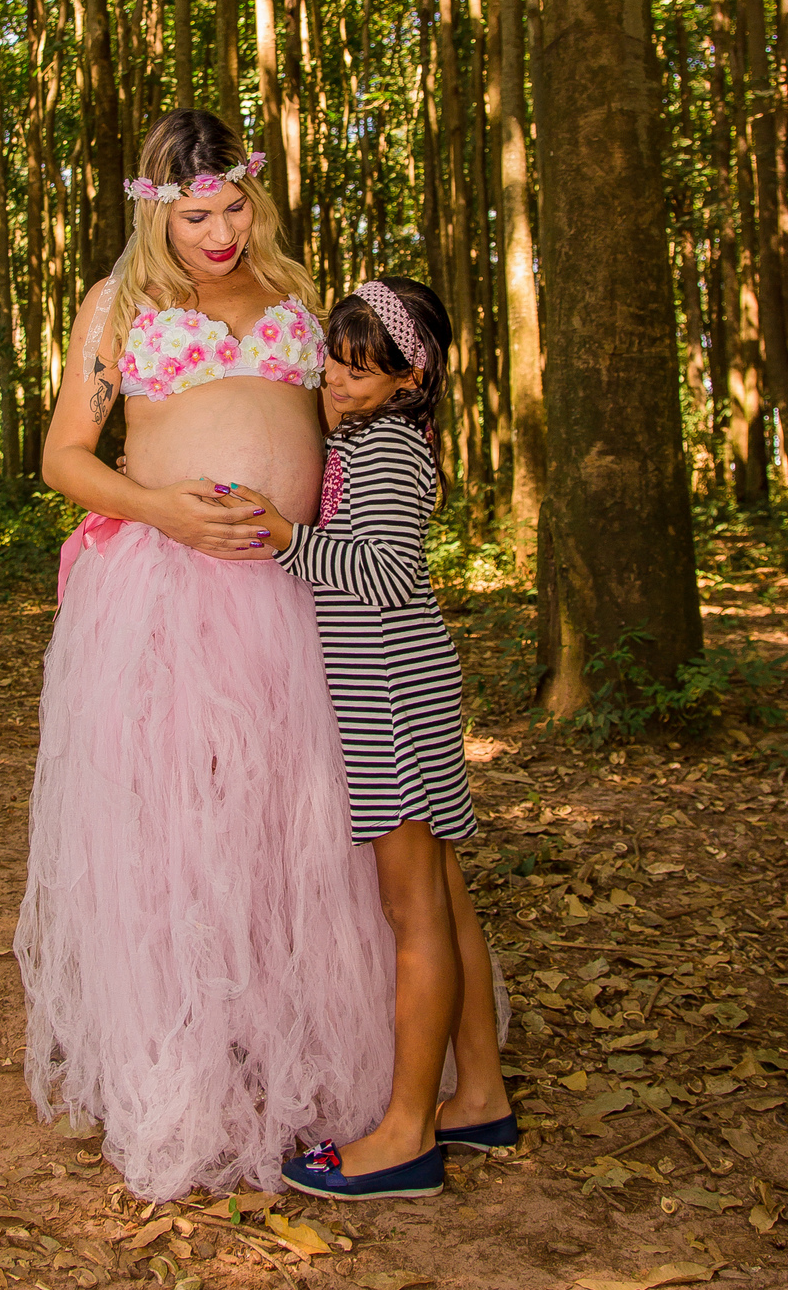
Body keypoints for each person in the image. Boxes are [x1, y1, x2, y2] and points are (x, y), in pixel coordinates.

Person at [13, 110, 396, 1203]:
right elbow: (65, 458)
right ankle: (183, 1074)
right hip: (164, 588)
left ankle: (291, 1064)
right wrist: (162, 510)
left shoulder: (297, 298)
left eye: (233, 208)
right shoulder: (121, 303)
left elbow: (345, 424)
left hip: (285, 591)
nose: (219, 233)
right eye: (195, 216)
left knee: (286, 828)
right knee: (176, 828)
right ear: (155, 212)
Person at [226, 277, 514, 1201]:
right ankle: (480, 1096)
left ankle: (406, 1135)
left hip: (391, 696)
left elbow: (386, 573)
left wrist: (284, 535)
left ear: (409, 378)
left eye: (361, 370)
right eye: (334, 363)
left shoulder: (385, 447)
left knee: (411, 911)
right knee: (443, 894)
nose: (339, 381)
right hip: (399, 686)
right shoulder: (373, 437)